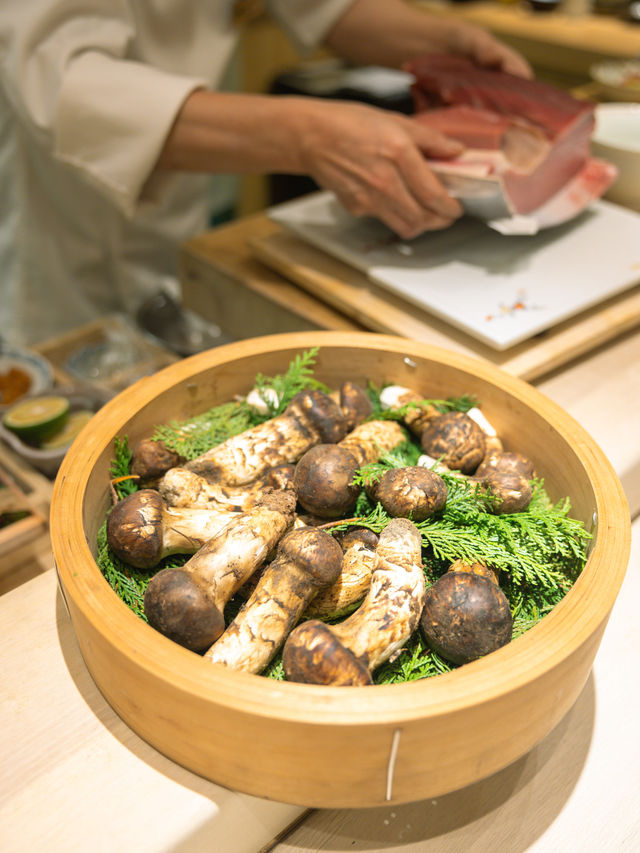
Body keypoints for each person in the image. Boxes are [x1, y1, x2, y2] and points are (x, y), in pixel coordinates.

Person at [0, 0, 531, 346]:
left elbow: (320, 7)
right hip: (59, 213)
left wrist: (445, 43)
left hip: (179, 195)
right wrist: (309, 135)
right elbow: (67, 86)